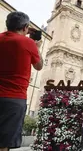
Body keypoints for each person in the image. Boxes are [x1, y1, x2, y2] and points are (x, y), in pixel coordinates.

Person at [0, 12, 43, 151]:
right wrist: (37, 47)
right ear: (25, 27)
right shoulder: (28, 43)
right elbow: (39, 66)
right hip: (14, 98)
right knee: (4, 143)